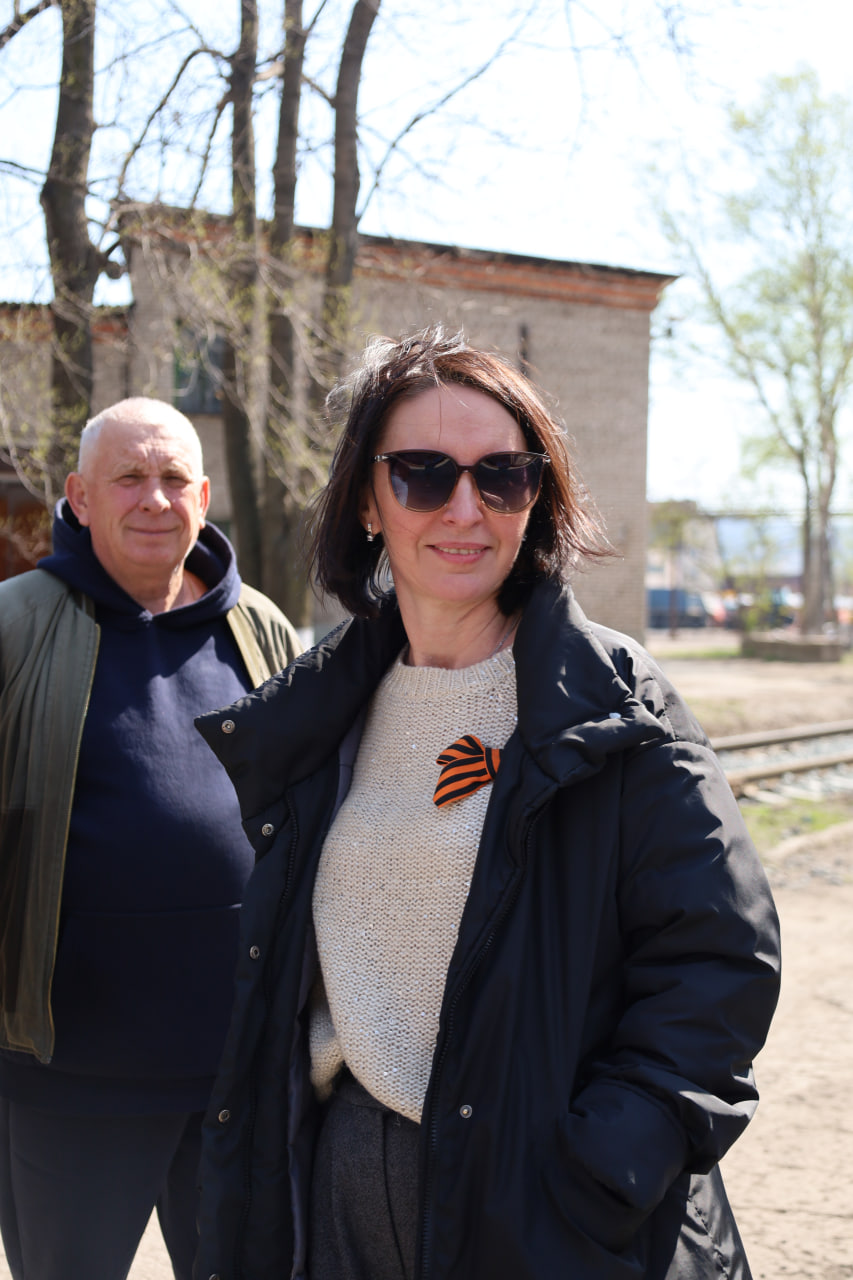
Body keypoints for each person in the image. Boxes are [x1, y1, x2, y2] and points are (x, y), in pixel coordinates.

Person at [194, 329, 781, 1280]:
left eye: (502, 475)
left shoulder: (612, 700)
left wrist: (601, 1170)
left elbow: (715, 963)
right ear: (367, 503)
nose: (464, 508)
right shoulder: (322, 707)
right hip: (337, 1190)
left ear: (535, 498)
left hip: (543, 1204)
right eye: (423, 474)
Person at [0, 397, 301, 1280]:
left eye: (173, 478)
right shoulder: (15, 624)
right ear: (80, 497)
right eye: (128, 477)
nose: (154, 499)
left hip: (238, 1072)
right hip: (71, 1080)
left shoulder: (262, 630)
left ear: (203, 497)